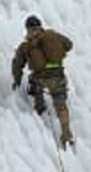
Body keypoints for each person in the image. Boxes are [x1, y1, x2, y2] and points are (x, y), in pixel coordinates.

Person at [12, 14, 74, 148]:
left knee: (35, 87)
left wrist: (16, 81)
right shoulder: (52, 35)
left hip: (41, 78)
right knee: (61, 104)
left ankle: (40, 109)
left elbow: (17, 65)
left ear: (27, 28)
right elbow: (69, 45)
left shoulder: (26, 46)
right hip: (58, 75)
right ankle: (66, 134)